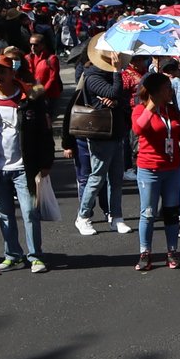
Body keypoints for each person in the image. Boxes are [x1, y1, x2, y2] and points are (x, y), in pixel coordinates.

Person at [0, 59, 56, 274]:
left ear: (12, 73)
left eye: (2, 71)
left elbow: (45, 134)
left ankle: (35, 256)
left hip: (25, 168)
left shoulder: (31, 99)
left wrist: (46, 163)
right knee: (4, 214)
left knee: (29, 212)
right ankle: (13, 255)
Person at [131, 71, 180, 272]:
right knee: (148, 212)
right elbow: (139, 129)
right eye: (167, 88)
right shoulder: (140, 109)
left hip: (172, 168)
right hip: (149, 168)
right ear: (155, 91)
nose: (171, 91)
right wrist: (152, 105)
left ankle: (172, 252)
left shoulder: (171, 111)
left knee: (171, 211)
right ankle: (145, 253)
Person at [71, 51, 132, 236]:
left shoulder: (112, 75)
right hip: (101, 134)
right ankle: (83, 217)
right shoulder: (93, 75)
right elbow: (114, 91)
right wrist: (116, 72)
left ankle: (117, 217)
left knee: (116, 179)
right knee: (97, 177)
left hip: (117, 132)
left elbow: (121, 97)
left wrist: (115, 100)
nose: (118, 60)